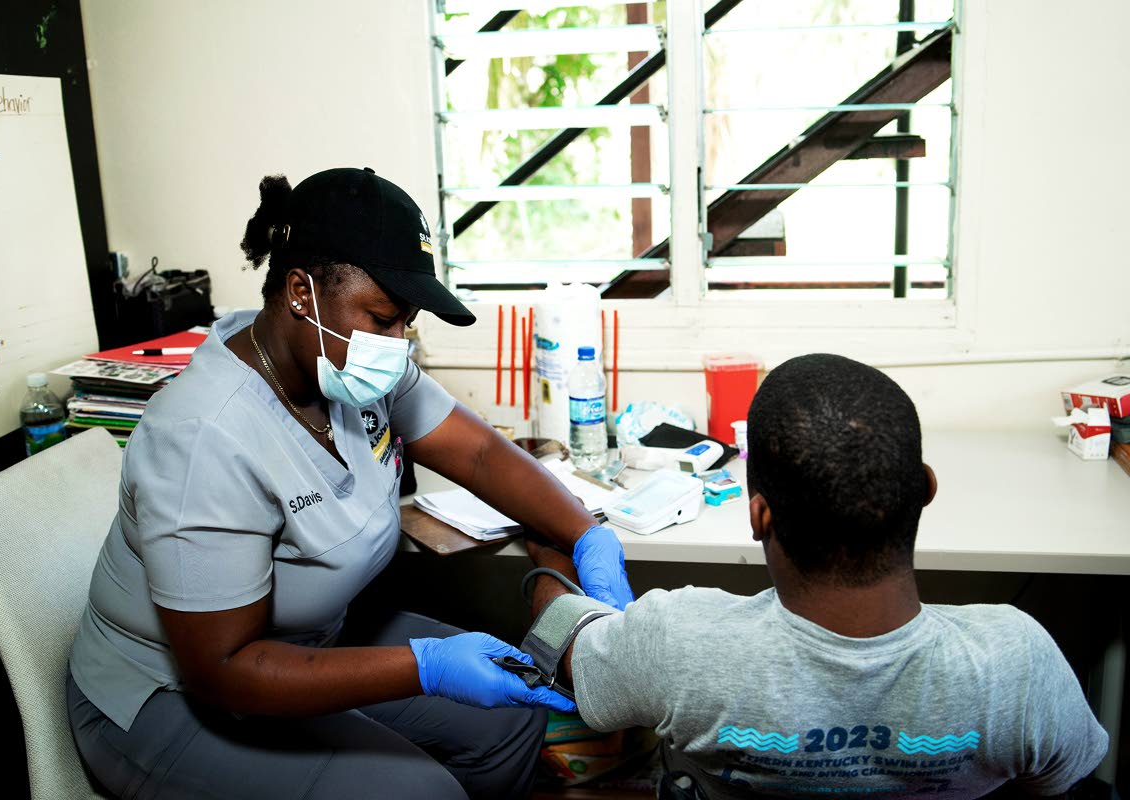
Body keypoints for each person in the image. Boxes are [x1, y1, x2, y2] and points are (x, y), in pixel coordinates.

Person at [66, 167, 635, 800]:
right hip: (167, 696)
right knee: (420, 793)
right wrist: (428, 668)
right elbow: (224, 670)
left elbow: (477, 454)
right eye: (384, 318)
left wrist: (587, 535)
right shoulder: (205, 436)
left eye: (407, 323)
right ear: (301, 292)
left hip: (311, 641)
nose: (398, 344)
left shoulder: (344, 368)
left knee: (513, 715)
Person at [523, 354, 1109, 800]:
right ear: (926, 489)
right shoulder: (1020, 666)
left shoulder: (678, 644)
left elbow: (563, 643)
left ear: (759, 515)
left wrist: (553, 557)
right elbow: (1064, 786)